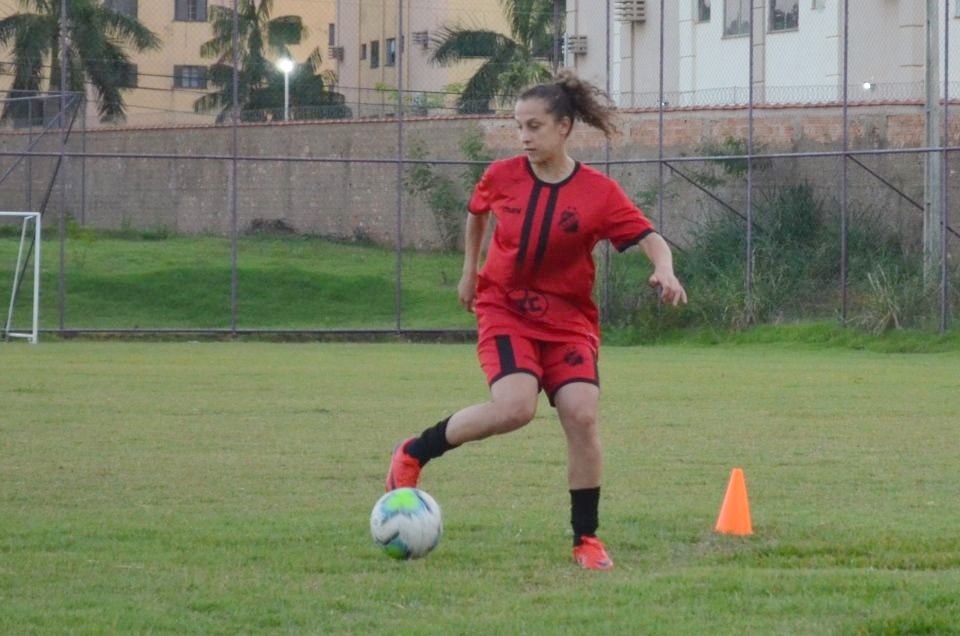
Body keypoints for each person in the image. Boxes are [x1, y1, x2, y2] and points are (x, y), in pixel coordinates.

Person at [386, 71, 687, 570]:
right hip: (505, 306)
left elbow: (649, 237)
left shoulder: (599, 192)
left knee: (583, 415)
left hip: (569, 321)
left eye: (534, 127)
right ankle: (414, 452)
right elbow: (477, 213)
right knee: (515, 408)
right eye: (518, 127)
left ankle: (586, 539)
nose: (524, 137)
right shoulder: (502, 175)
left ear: (564, 127)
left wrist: (664, 268)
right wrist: (470, 272)